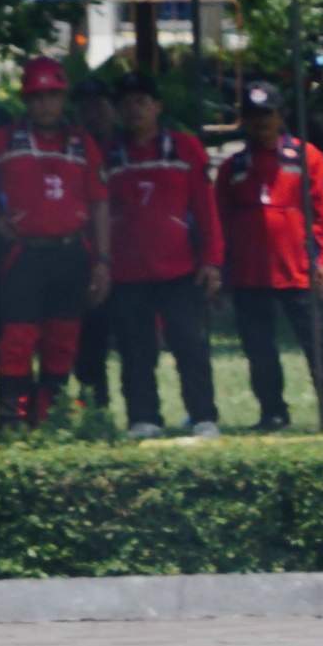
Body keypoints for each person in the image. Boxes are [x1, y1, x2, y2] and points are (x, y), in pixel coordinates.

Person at [91, 65, 218, 434]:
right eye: (126, 103)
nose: (134, 110)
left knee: (189, 346)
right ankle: (144, 416)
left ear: (157, 106)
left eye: (141, 102)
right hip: (128, 271)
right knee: (135, 349)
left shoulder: (184, 147)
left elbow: (205, 210)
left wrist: (212, 260)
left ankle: (203, 415)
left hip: (179, 268)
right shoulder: (109, 154)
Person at [215, 76, 323, 430]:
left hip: (299, 268)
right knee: (259, 349)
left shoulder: (306, 157)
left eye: (268, 114)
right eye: (255, 115)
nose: (262, 123)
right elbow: (221, 220)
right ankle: (272, 410)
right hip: (250, 273)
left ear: (281, 116)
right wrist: (221, 269)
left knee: (317, 343)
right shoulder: (233, 167)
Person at [0, 53, 92, 434]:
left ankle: (49, 417)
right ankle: (11, 418)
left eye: (52, 96)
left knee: (63, 337)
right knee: (18, 336)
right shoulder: (0, 141)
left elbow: (98, 200)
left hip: (70, 252)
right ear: (26, 101)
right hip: (23, 253)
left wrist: (103, 260)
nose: (46, 104)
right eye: (37, 97)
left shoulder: (81, 144)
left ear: (63, 99)